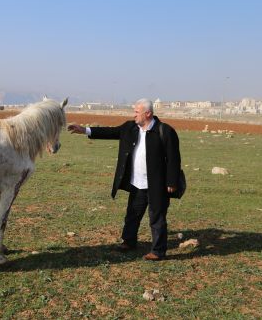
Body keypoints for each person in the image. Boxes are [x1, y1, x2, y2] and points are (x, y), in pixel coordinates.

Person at [67, 98, 181, 260]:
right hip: (137, 183)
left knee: (157, 218)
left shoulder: (165, 131)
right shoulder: (130, 128)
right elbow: (110, 132)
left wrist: (172, 181)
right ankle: (128, 241)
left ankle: (158, 251)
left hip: (157, 185)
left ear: (147, 114)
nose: (134, 115)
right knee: (132, 214)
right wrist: (85, 130)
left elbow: (173, 158)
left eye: (136, 112)